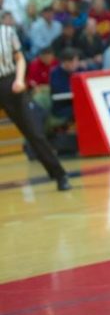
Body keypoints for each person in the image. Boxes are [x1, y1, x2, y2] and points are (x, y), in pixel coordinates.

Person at [0, 11, 71, 190]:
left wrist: (18, 79)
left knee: (34, 132)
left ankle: (60, 175)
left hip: (9, 81)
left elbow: (20, 58)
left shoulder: (7, 32)